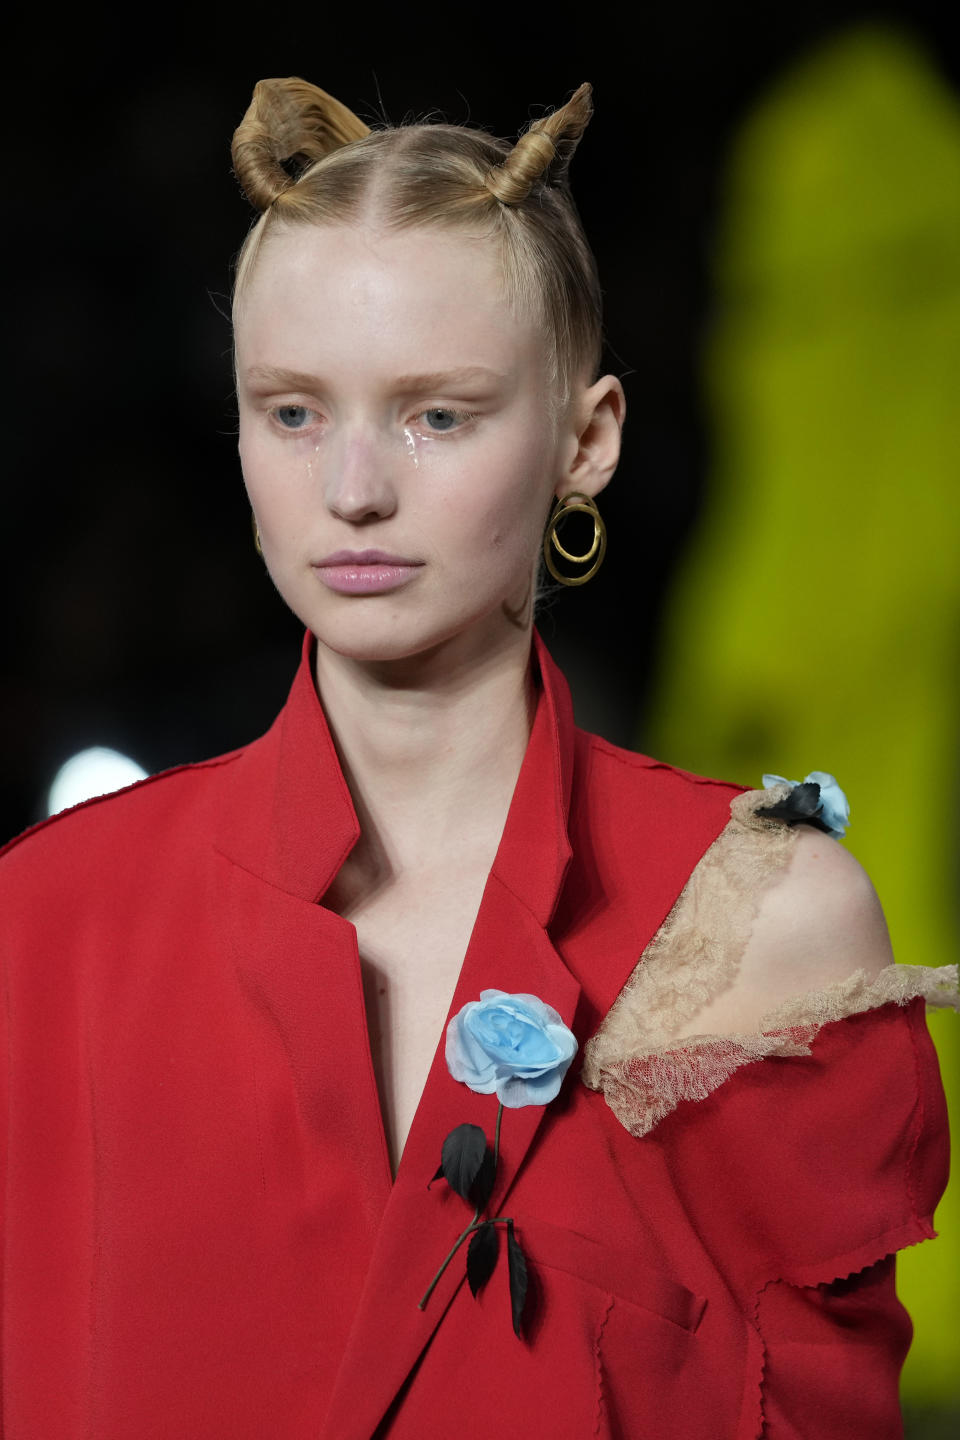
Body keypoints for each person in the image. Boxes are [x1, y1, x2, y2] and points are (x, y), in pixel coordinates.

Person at [0, 76, 954, 1440]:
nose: (354, 490)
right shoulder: (50, 930)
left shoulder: (765, 930)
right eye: (292, 413)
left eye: (437, 415)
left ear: (588, 437)